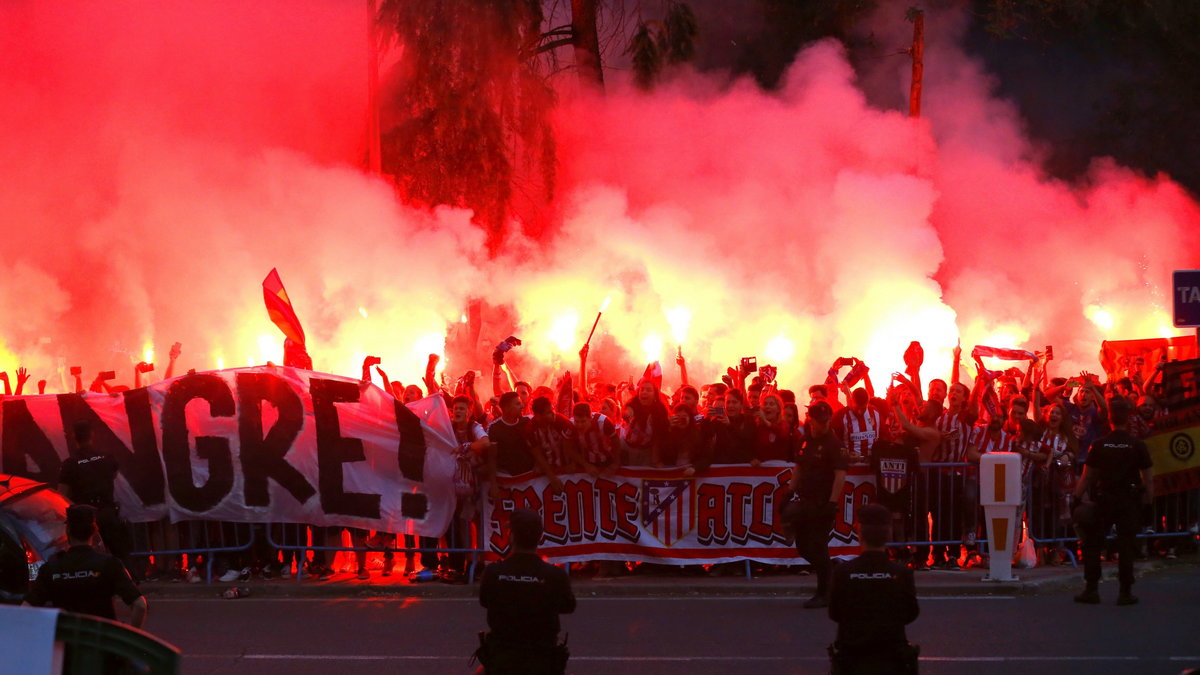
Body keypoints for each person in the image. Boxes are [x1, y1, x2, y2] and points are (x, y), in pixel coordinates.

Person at [1072, 398, 1153, 606]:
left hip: (1104, 500)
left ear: (1109, 417)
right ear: (1128, 417)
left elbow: (1087, 476)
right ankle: (1125, 592)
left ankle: (1092, 589)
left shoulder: (1099, 445)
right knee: (1126, 546)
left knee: (1093, 544)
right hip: (1129, 500)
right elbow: (1147, 478)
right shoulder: (1137, 445)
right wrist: (1148, 504)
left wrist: (1076, 498)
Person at [477, 508, 575, 674]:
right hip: (543, 660)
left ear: (512, 536)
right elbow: (568, 607)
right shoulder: (555, 575)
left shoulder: (493, 572)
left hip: (502, 660)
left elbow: (485, 601)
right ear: (540, 537)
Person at [828, 503, 919, 674]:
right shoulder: (902, 573)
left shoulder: (842, 572)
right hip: (891, 658)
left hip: (852, 658)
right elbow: (910, 613)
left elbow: (834, 613)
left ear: (859, 532)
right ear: (888, 533)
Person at [24, 505, 147, 627]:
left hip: (67, 642)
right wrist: (130, 635)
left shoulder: (51, 568)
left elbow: (25, 609)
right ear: (94, 531)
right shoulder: (109, 565)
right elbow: (139, 605)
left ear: (68, 531)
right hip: (100, 640)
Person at [786, 400, 848, 608]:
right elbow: (799, 467)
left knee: (819, 546)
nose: (823, 424)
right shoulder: (805, 440)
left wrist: (832, 503)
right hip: (805, 501)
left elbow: (840, 476)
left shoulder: (834, 444)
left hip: (823, 503)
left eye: (826, 420)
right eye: (819, 421)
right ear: (811, 420)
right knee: (803, 546)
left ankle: (824, 592)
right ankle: (830, 572)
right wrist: (789, 492)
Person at [57, 421, 132, 569]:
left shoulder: (70, 464)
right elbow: (114, 474)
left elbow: (62, 494)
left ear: (74, 437)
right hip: (107, 512)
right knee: (119, 553)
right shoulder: (106, 457)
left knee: (89, 556)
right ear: (92, 435)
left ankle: (94, 583)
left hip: (85, 518)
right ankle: (129, 581)